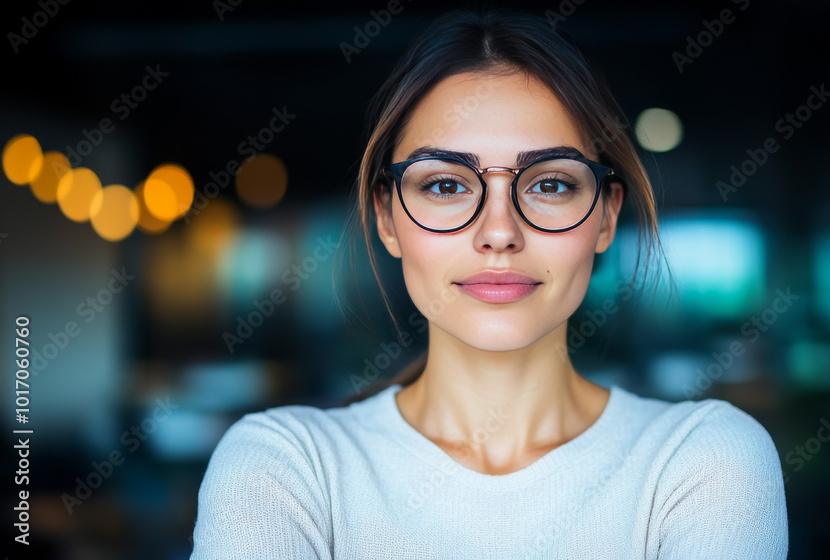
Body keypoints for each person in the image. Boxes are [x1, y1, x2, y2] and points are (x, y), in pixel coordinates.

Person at [190, 8, 788, 559]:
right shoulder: (287, 469)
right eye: (445, 186)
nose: (499, 233)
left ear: (605, 216)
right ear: (387, 218)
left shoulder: (700, 462)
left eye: (550, 184)